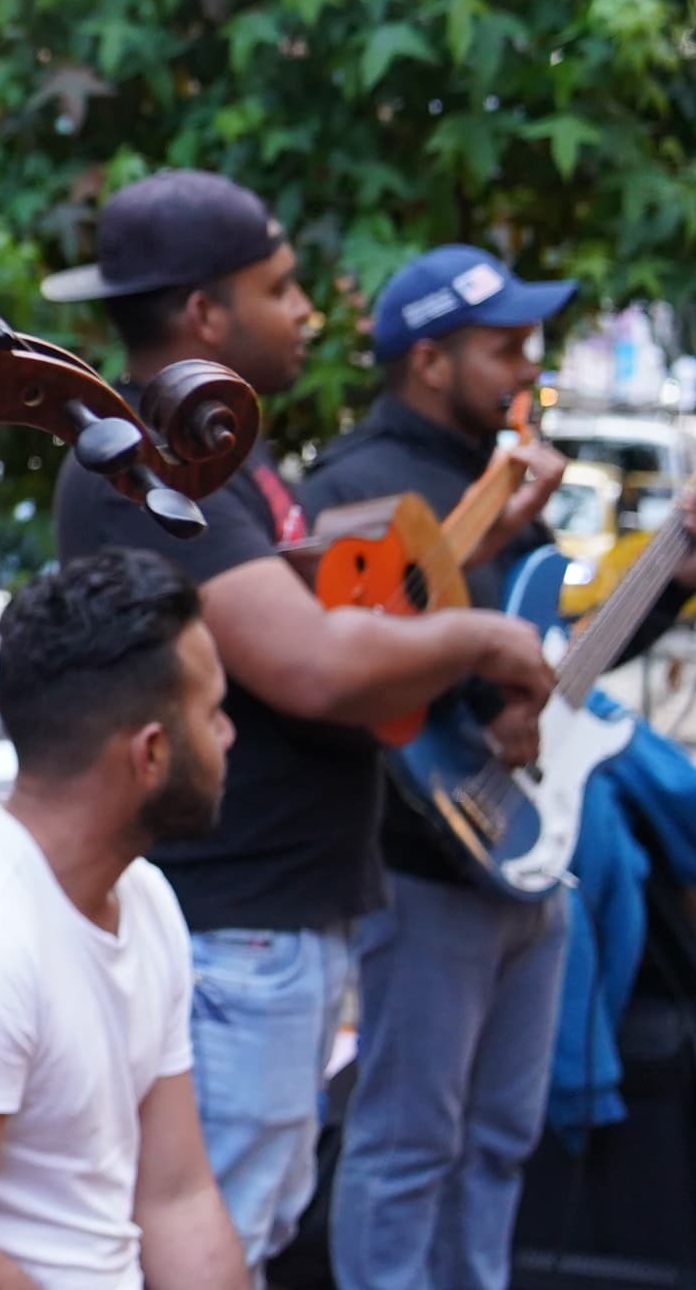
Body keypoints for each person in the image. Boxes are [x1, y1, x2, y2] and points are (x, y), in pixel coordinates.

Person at [42, 170, 554, 1273]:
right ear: (203, 313)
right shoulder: (146, 465)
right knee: (212, 1233)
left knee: (250, 1222)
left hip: (276, 918)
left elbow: (349, 625)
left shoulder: (216, 457)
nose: (307, 312)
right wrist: (481, 640)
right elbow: (314, 665)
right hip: (241, 920)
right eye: (279, 288)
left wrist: (482, 556)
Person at [297, 245, 696, 1290]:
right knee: (404, 1140)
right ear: (427, 361)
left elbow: (546, 674)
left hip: (523, 851)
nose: (528, 365)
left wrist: (665, 578)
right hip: (423, 865)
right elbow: (348, 680)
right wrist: (484, 684)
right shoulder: (357, 493)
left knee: (500, 1139)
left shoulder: (494, 484)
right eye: (504, 345)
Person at [0, 550, 247, 1290]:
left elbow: (179, 1196)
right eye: (213, 713)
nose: (229, 736)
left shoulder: (147, 900)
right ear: (153, 753)